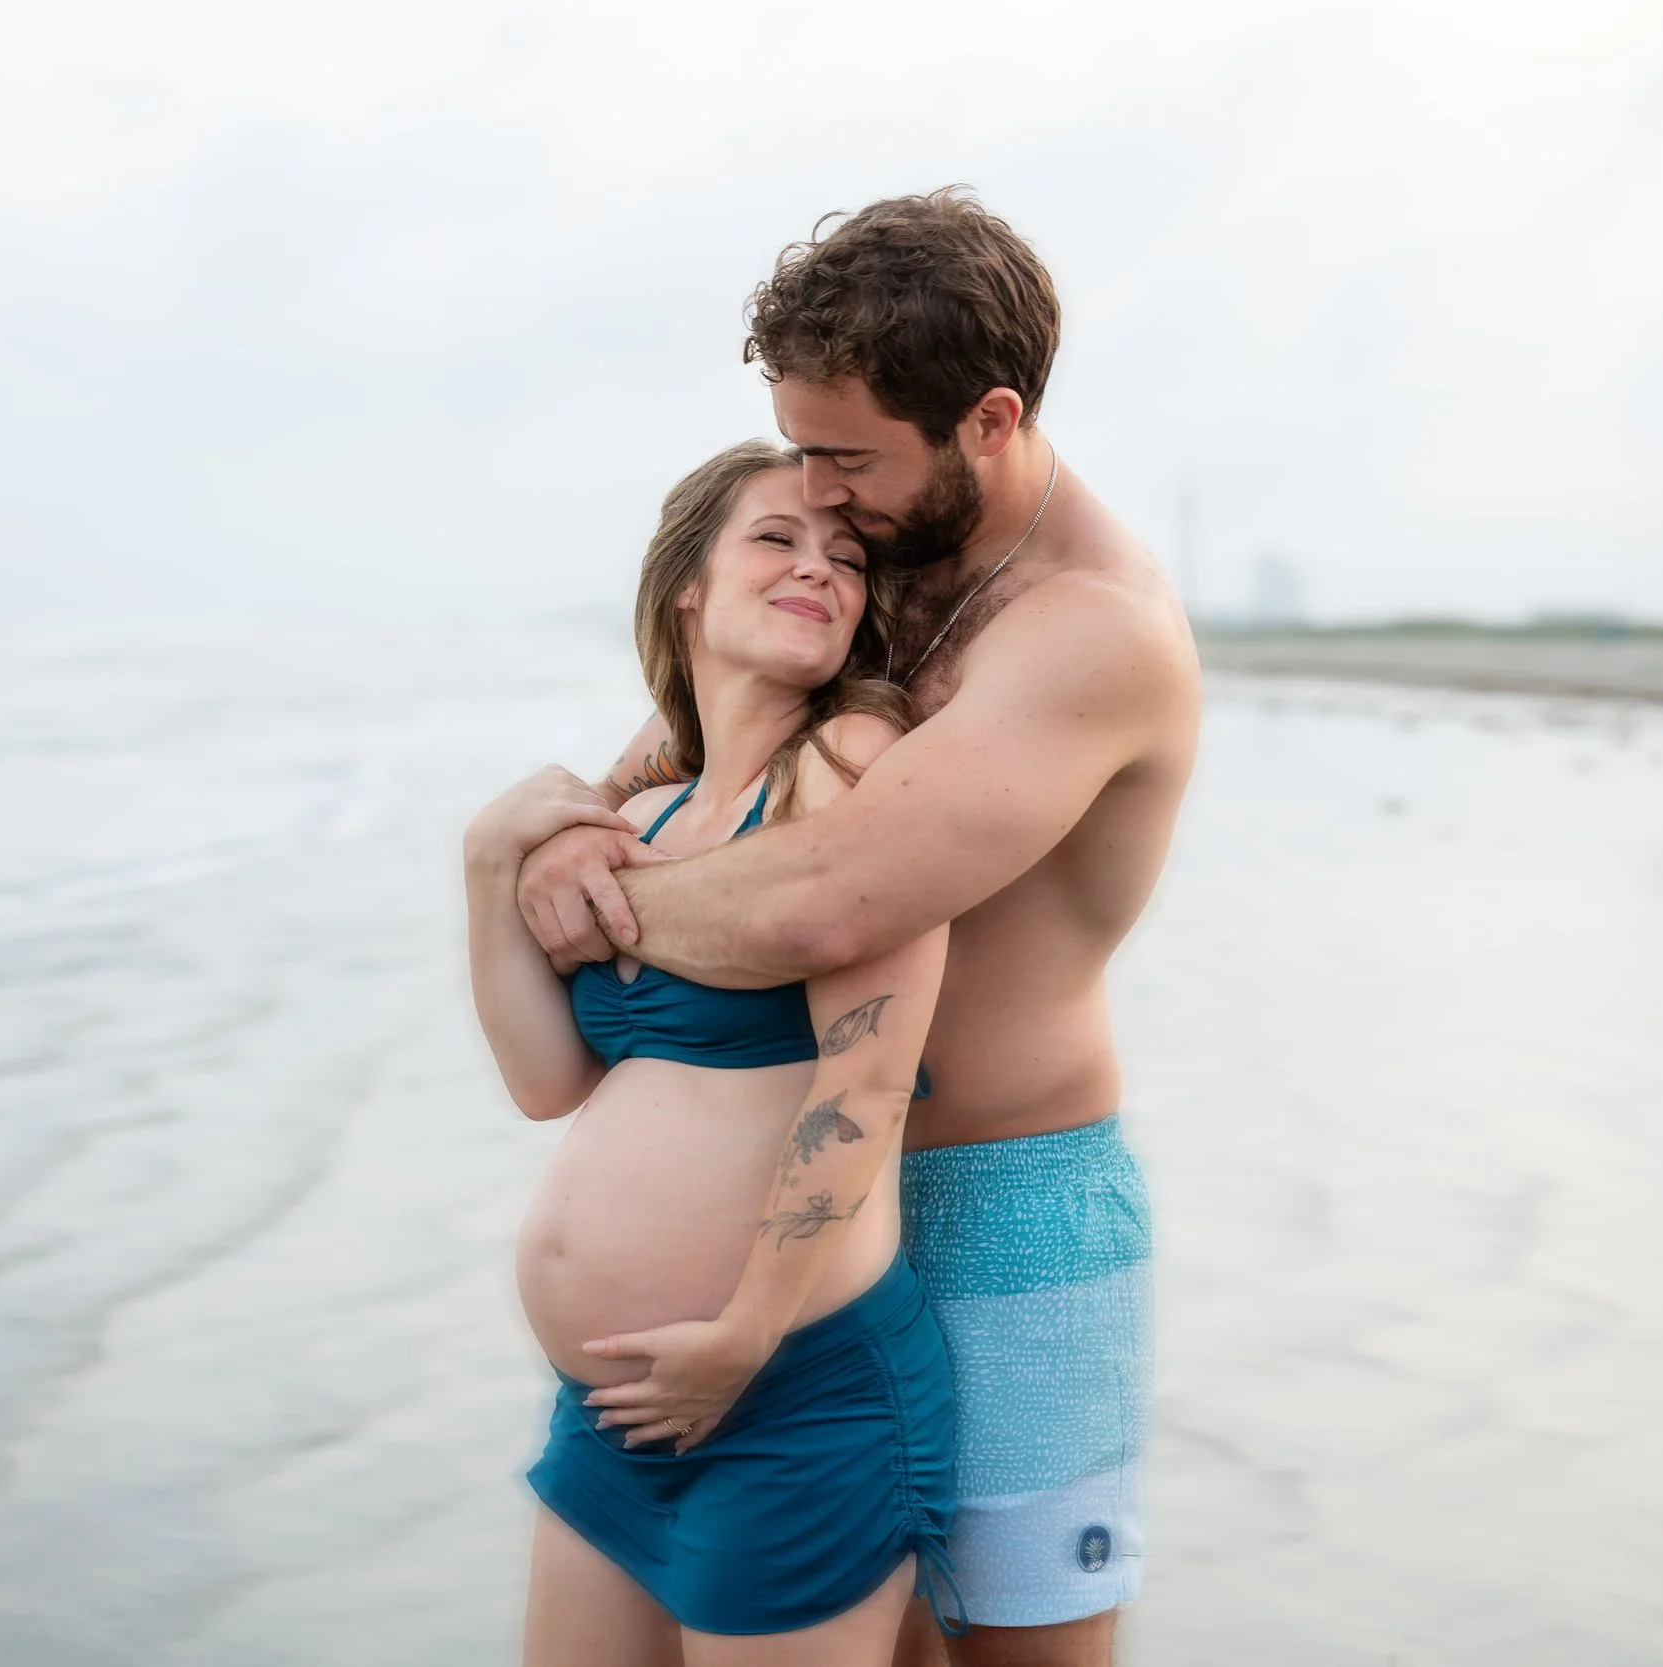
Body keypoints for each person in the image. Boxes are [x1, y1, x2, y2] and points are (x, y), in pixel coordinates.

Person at [499, 190, 1200, 1666]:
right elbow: (671, 762)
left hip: (1003, 1209)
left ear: (989, 421)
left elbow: (831, 901)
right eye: (797, 446)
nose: (818, 487)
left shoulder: (1091, 627)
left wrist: (590, 898)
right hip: (815, 1229)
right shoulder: (873, 572)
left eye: (846, 455)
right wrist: (558, 830)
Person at [465, 440, 966, 1666]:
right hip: (613, 1423)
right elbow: (548, 1084)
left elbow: (865, 1078)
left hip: (789, 1392)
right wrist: (488, 863)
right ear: (687, 581)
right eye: (775, 539)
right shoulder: (637, 819)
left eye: (846, 557)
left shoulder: (847, 770)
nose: (818, 568)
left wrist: (743, 1331)